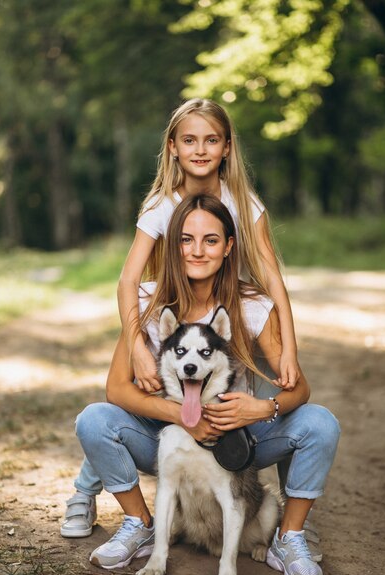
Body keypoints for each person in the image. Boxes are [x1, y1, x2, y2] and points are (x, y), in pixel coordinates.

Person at [61, 98, 302, 541]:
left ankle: (290, 520)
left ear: (227, 147)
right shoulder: (161, 204)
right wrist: (138, 346)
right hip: (173, 310)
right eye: (189, 140)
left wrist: (288, 346)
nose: (200, 149)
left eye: (211, 140)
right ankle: (86, 489)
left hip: (235, 314)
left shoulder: (244, 202)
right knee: (124, 398)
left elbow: (273, 277)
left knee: (277, 400)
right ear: (172, 147)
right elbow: (127, 281)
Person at [69, 194, 340, 575]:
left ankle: (289, 536)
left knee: (320, 423)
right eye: (185, 239)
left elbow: (300, 389)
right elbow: (116, 389)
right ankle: (140, 523)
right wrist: (182, 416)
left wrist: (261, 409)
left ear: (229, 247)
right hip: (168, 436)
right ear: (172, 246)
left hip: (238, 444)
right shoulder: (147, 302)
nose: (197, 250)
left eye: (210, 240)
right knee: (93, 420)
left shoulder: (250, 306)